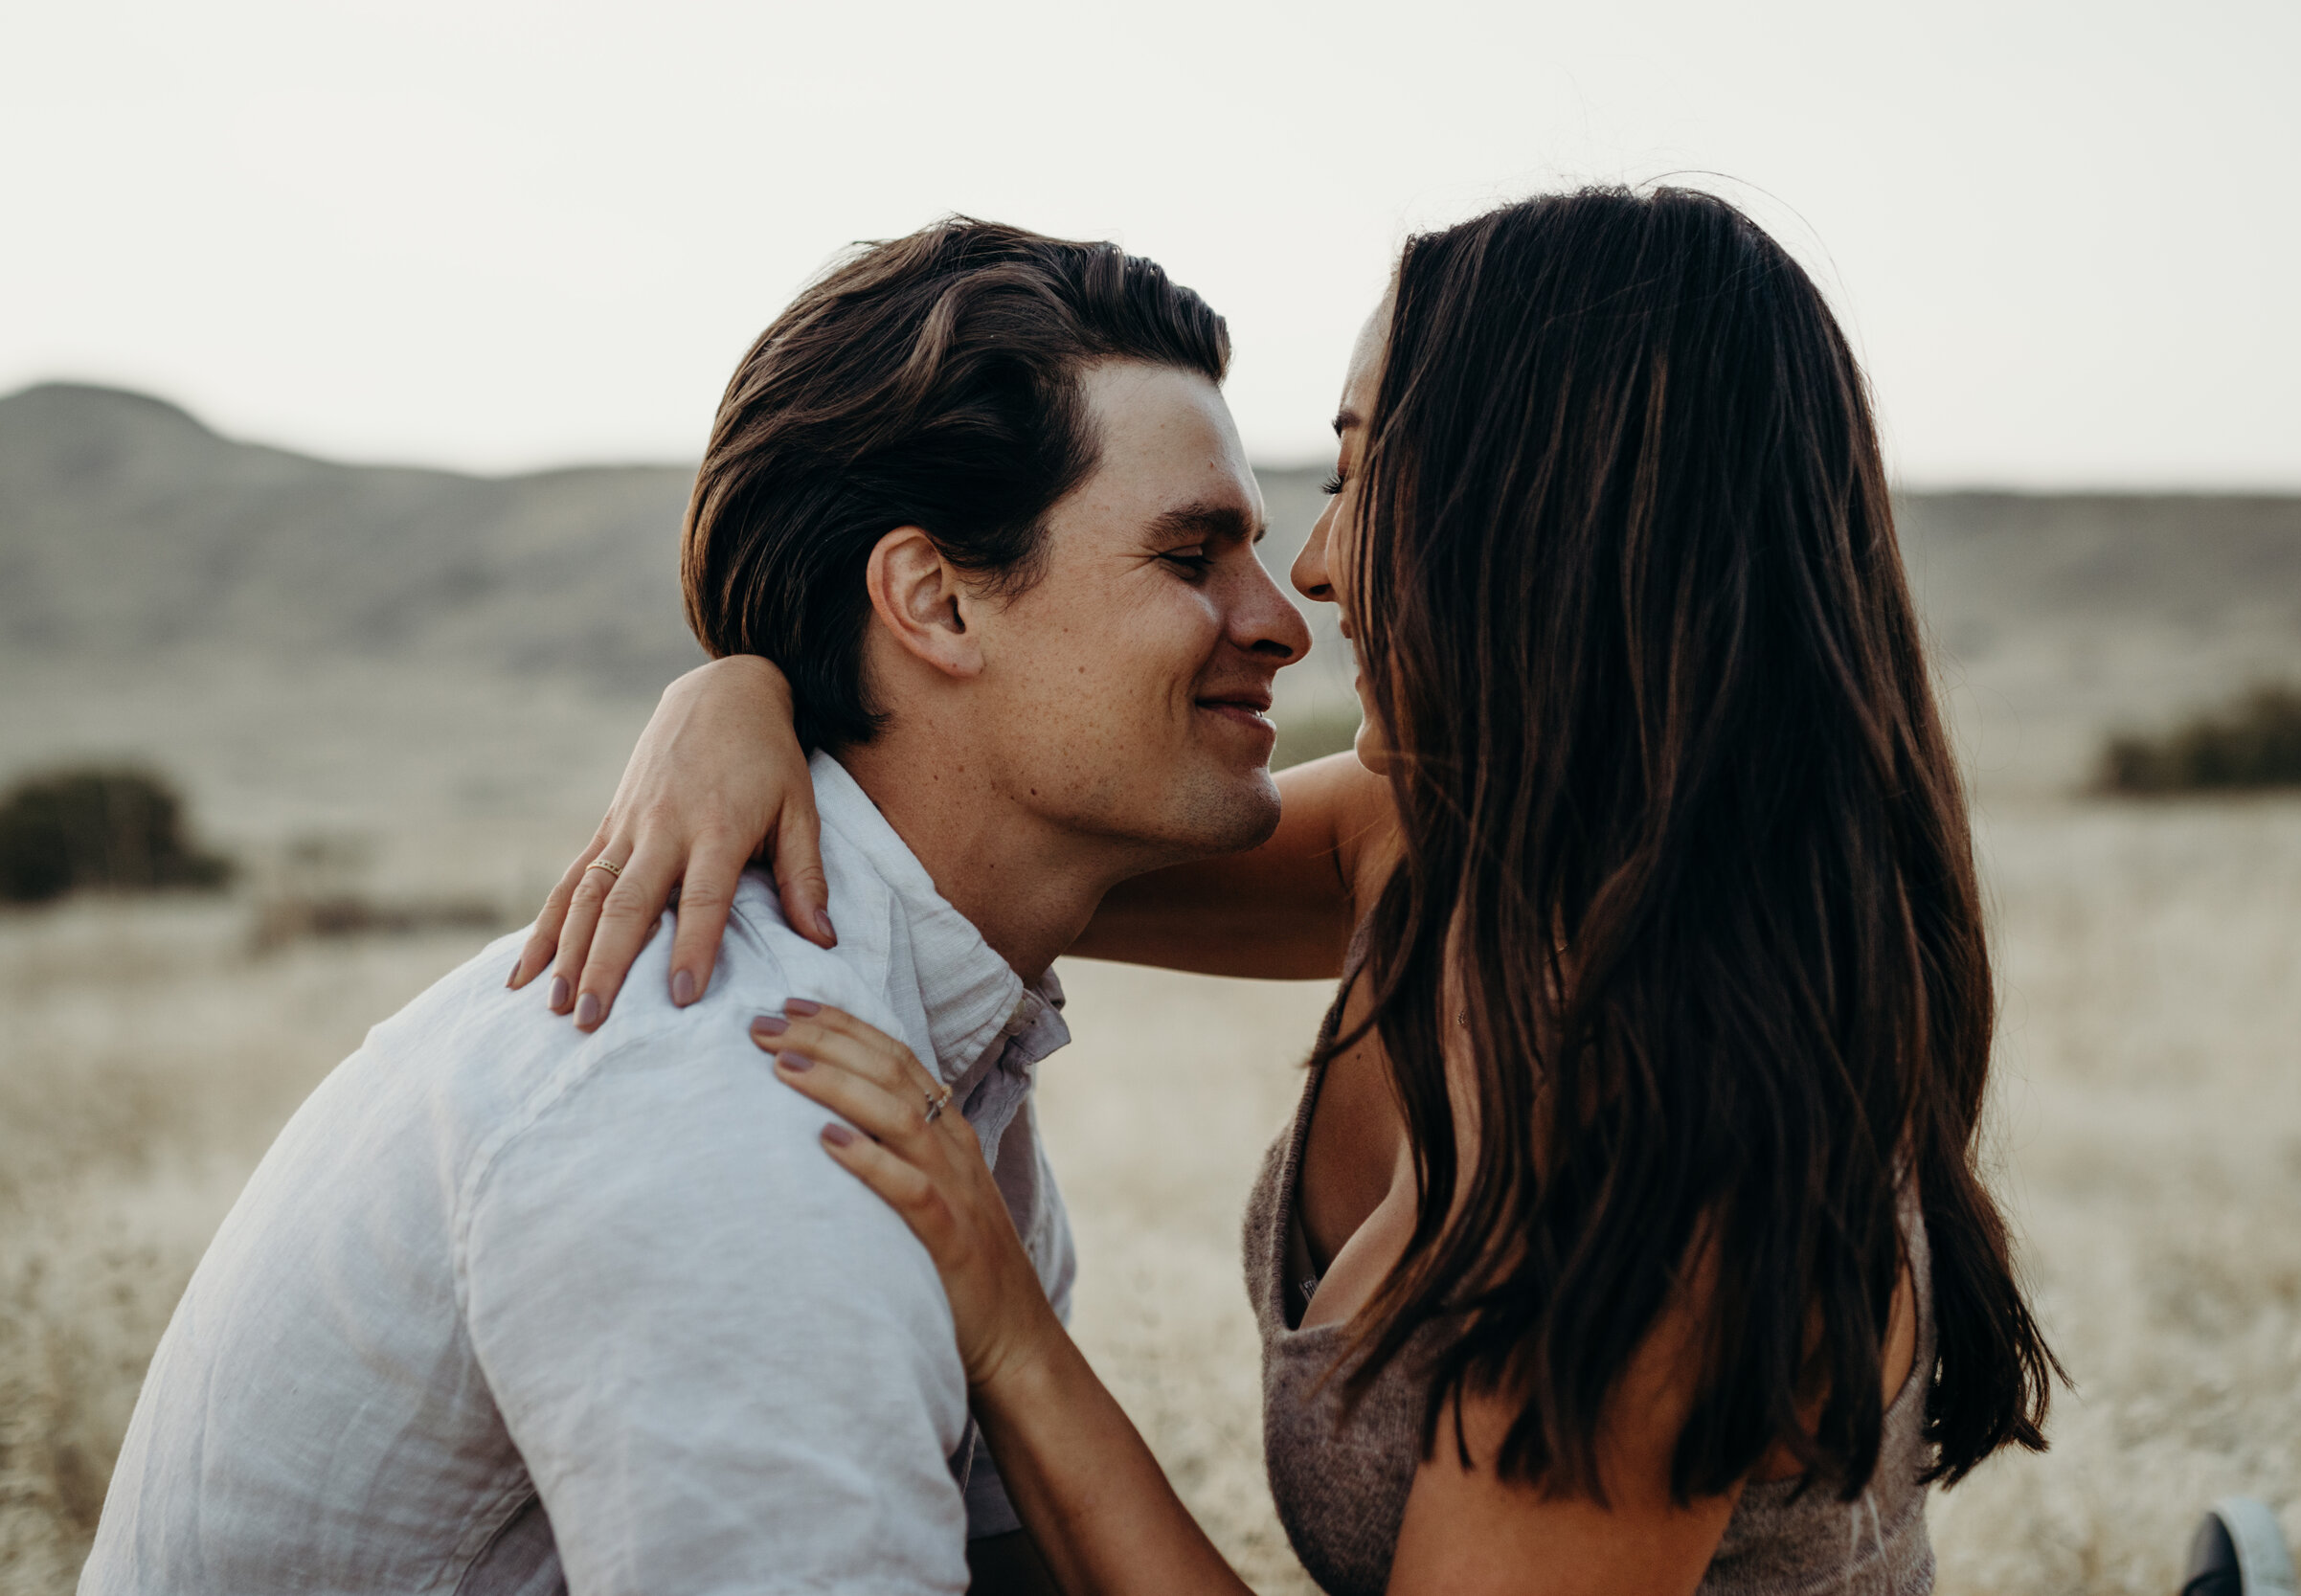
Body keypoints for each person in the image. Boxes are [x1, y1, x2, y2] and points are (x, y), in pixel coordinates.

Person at [527, 186, 2067, 1596]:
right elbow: (998, 823)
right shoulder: (1426, 852)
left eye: (1362, 473)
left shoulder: (1666, 1150)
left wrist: (1010, 1333)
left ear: (1549, 514)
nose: (1317, 570)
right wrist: (732, 696)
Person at [81, 219, 1308, 1595]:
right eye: (1194, 555)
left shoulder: (928, 1078)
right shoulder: (741, 1087)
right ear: (936, 602)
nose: (1281, 618)